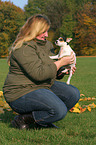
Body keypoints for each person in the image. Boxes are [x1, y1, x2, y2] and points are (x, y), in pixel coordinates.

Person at [3, 14, 80, 129]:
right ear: (34, 30)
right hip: (20, 92)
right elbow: (39, 74)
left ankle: (42, 120)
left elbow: (50, 68)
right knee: (59, 110)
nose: (47, 35)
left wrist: (63, 70)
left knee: (72, 94)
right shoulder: (22, 48)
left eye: (47, 31)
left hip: (41, 86)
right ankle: (22, 120)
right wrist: (60, 63)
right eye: (43, 31)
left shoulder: (47, 45)